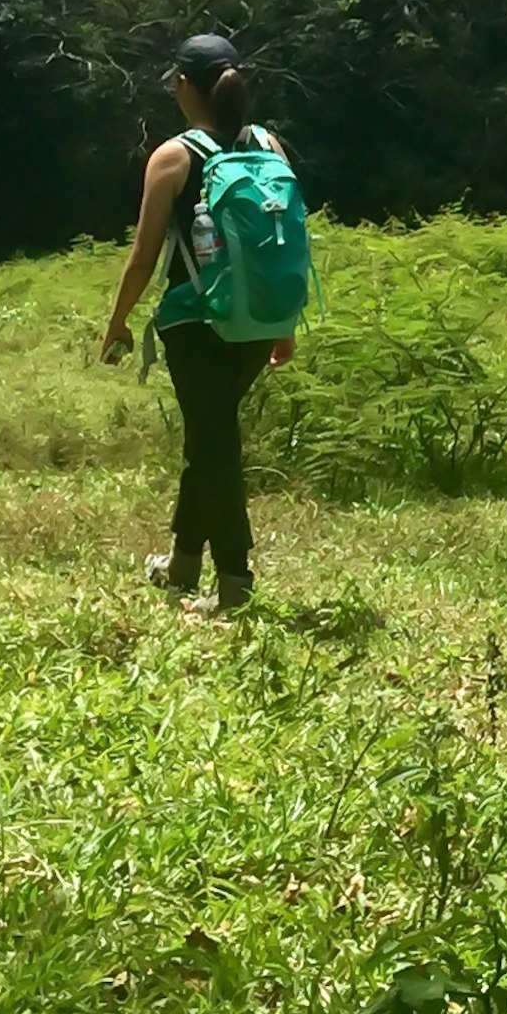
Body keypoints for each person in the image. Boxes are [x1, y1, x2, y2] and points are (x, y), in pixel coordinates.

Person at [101, 33, 294, 614]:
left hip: (196, 322)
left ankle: (234, 582)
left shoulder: (175, 155)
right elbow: (278, 243)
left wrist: (116, 321)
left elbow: (143, 255)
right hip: (258, 321)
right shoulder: (268, 143)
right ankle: (184, 563)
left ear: (184, 85)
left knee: (215, 445)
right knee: (208, 437)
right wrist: (282, 321)